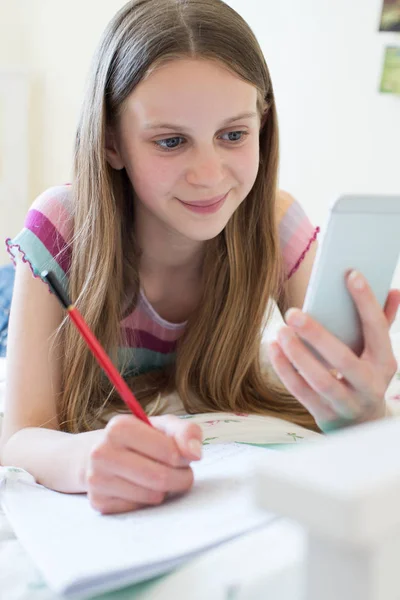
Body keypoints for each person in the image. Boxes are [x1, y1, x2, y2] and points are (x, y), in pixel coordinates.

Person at [1, 0, 398, 514]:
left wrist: (366, 413)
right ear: (112, 144)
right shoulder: (60, 225)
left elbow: (348, 399)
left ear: (263, 124)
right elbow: (17, 437)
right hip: (25, 291)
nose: (209, 175)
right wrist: (83, 458)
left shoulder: (276, 225)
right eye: (171, 141)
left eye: (233, 135)